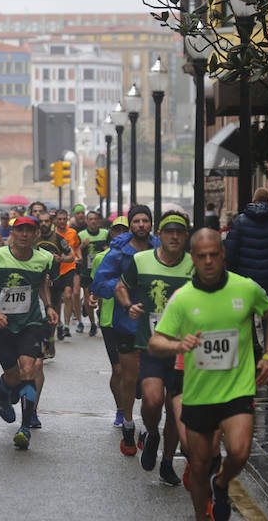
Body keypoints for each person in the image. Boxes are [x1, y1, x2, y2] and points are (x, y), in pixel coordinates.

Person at [148, 229, 268, 521]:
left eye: (213, 254)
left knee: (239, 453)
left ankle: (221, 483)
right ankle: (201, 516)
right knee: (198, 463)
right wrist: (177, 345)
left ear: (222, 255)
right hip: (199, 393)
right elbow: (154, 343)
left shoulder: (246, 288)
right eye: (201, 256)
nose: (208, 261)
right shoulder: (182, 299)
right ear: (193, 259)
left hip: (238, 389)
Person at [114, 210, 194, 483]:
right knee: (152, 400)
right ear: (159, 235)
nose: (174, 236)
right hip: (151, 346)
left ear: (186, 237)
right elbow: (120, 287)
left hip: (184, 352)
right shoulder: (141, 260)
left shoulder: (195, 265)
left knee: (174, 412)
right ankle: (151, 433)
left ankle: (168, 463)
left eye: (179, 232)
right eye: (168, 231)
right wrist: (129, 305)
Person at [0, 216, 59, 449]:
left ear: (35, 235)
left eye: (28, 231)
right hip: (2, 324)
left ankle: (24, 427)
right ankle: (2, 394)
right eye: (19, 230)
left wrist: (49, 306)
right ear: (12, 232)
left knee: (29, 369)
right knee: (13, 377)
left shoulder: (44, 259)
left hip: (31, 322)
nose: (24, 235)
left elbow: (43, 282)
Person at [92, 205, 157, 455]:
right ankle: (129, 424)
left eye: (145, 221)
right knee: (129, 378)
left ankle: (149, 428)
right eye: (137, 221)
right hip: (127, 320)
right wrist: (124, 290)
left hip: (156, 323)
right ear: (131, 225)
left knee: (152, 383)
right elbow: (100, 283)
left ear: (151, 224)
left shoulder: (160, 248)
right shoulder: (118, 252)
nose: (141, 225)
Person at [224, 188, 268, 383]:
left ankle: (252, 358)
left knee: (245, 321)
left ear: (253, 200)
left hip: (246, 280)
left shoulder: (241, 222)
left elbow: (230, 251)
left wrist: (234, 274)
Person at [88, 216, 129, 427]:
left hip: (134, 319)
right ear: (111, 233)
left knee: (135, 371)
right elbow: (96, 286)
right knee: (118, 370)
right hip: (109, 320)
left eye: (125, 230)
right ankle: (121, 410)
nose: (120, 233)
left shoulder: (141, 257)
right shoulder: (101, 258)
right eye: (116, 230)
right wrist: (94, 297)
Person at [34, 211, 74, 354]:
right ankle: (41, 344)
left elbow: (71, 256)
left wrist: (61, 259)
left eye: (46, 221)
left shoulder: (58, 239)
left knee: (52, 315)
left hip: (55, 281)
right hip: (37, 282)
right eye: (41, 221)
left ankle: (50, 339)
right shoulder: (33, 239)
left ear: (52, 223)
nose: (44, 224)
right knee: (40, 313)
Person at [77, 210, 110, 336]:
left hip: (101, 271)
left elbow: (110, 247)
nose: (93, 221)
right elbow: (77, 250)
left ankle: (100, 314)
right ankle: (92, 324)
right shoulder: (82, 234)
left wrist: (107, 248)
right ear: (86, 221)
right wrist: (81, 248)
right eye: (90, 219)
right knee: (87, 298)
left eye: (95, 219)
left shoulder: (105, 233)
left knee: (100, 297)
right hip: (87, 271)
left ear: (99, 221)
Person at [53, 209, 83, 336]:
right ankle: (58, 323)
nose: (61, 221)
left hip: (70, 267)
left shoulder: (73, 232)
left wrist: (79, 256)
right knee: (57, 299)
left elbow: (76, 247)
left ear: (67, 219)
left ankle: (66, 325)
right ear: (55, 220)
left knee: (68, 294)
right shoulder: (52, 234)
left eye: (64, 219)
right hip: (56, 269)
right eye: (59, 219)